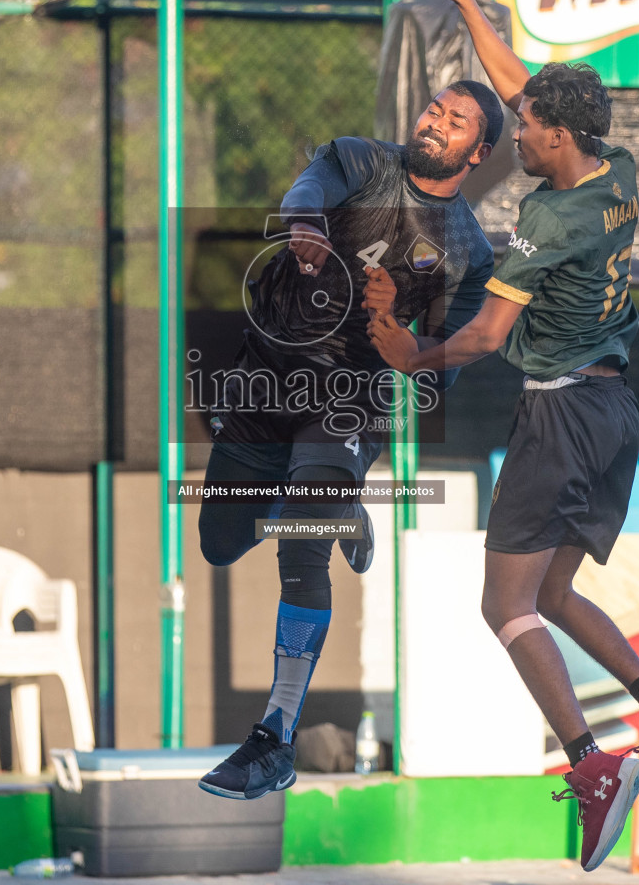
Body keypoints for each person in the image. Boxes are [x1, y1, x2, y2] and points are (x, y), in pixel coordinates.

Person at [363, 0, 639, 873]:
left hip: (558, 416)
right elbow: (519, 78)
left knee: (502, 604)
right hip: (614, 415)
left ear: (554, 137)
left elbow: (483, 337)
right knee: (553, 591)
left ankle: (593, 765)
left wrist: (412, 355)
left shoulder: (550, 217)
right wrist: (467, 2)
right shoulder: (611, 170)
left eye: (523, 125)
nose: (513, 129)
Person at [194, 72, 504, 798]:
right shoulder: (365, 161)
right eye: (434, 108)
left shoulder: (470, 254)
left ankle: (272, 737)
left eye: (455, 120)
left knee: (302, 543)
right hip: (269, 378)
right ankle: (339, 509)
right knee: (220, 542)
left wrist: (395, 328)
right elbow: (308, 187)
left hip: (354, 403)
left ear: (478, 150)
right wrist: (303, 223)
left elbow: (436, 372)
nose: (436, 121)